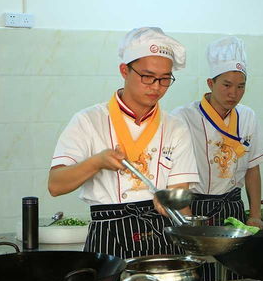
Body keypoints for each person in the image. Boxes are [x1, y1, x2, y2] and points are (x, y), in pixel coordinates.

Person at [48, 27, 199, 258]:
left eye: (165, 79)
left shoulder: (175, 127)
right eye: (147, 77)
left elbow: (181, 197)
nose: (157, 86)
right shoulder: (88, 121)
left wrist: (175, 208)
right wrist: (97, 162)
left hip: (162, 236)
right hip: (108, 235)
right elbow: (56, 185)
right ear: (124, 70)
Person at [172, 36, 263, 281]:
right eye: (226, 85)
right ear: (210, 83)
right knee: (200, 276)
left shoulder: (247, 117)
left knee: (234, 274)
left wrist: (255, 213)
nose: (233, 93)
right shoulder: (184, 117)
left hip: (232, 207)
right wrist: (185, 219)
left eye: (240, 86)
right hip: (196, 209)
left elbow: (252, 168)